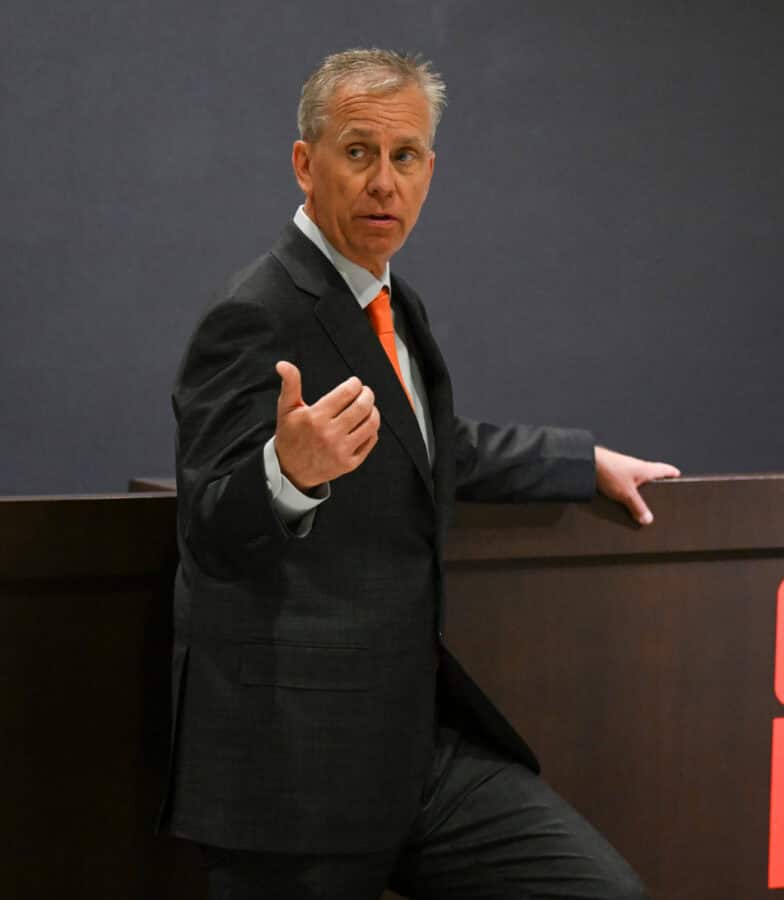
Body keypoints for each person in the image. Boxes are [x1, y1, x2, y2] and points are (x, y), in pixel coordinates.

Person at [164, 48, 677, 899]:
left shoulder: (391, 300)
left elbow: (428, 443)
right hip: (293, 771)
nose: (383, 182)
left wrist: (579, 462)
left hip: (414, 747)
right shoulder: (254, 312)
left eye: (405, 157)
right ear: (305, 164)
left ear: (429, 172)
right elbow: (209, 528)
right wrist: (285, 474)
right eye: (358, 152)